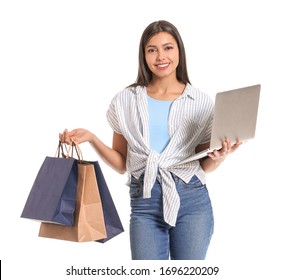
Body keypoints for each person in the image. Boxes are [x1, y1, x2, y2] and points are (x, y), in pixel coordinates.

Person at [60, 20, 241, 260]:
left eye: (168, 48)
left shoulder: (200, 102)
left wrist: (219, 158)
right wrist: (93, 138)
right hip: (144, 204)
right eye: (152, 49)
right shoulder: (125, 100)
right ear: (143, 55)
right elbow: (122, 163)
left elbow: (203, 164)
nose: (160, 56)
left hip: (192, 202)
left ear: (179, 51)